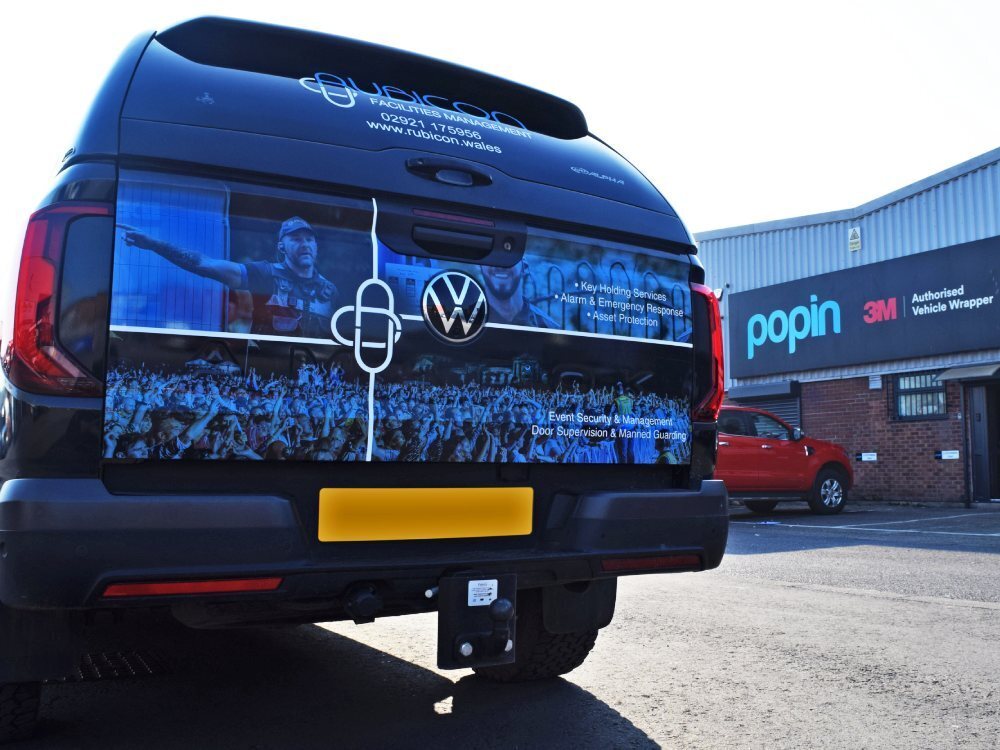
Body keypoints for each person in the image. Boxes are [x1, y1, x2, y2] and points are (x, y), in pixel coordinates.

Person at [118, 217, 338, 338]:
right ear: (281, 246)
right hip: (269, 373)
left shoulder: (329, 290)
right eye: (297, 239)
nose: (305, 244)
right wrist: (154, 244)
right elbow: (204, 264)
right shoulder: (264, 273)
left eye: (310, 239)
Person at [479, 261, 557, 328]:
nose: (500, 265)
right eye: (493, 257)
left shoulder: (550, 328)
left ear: (524, 267)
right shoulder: (468, 320)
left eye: (509, 255)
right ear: (480, 265)